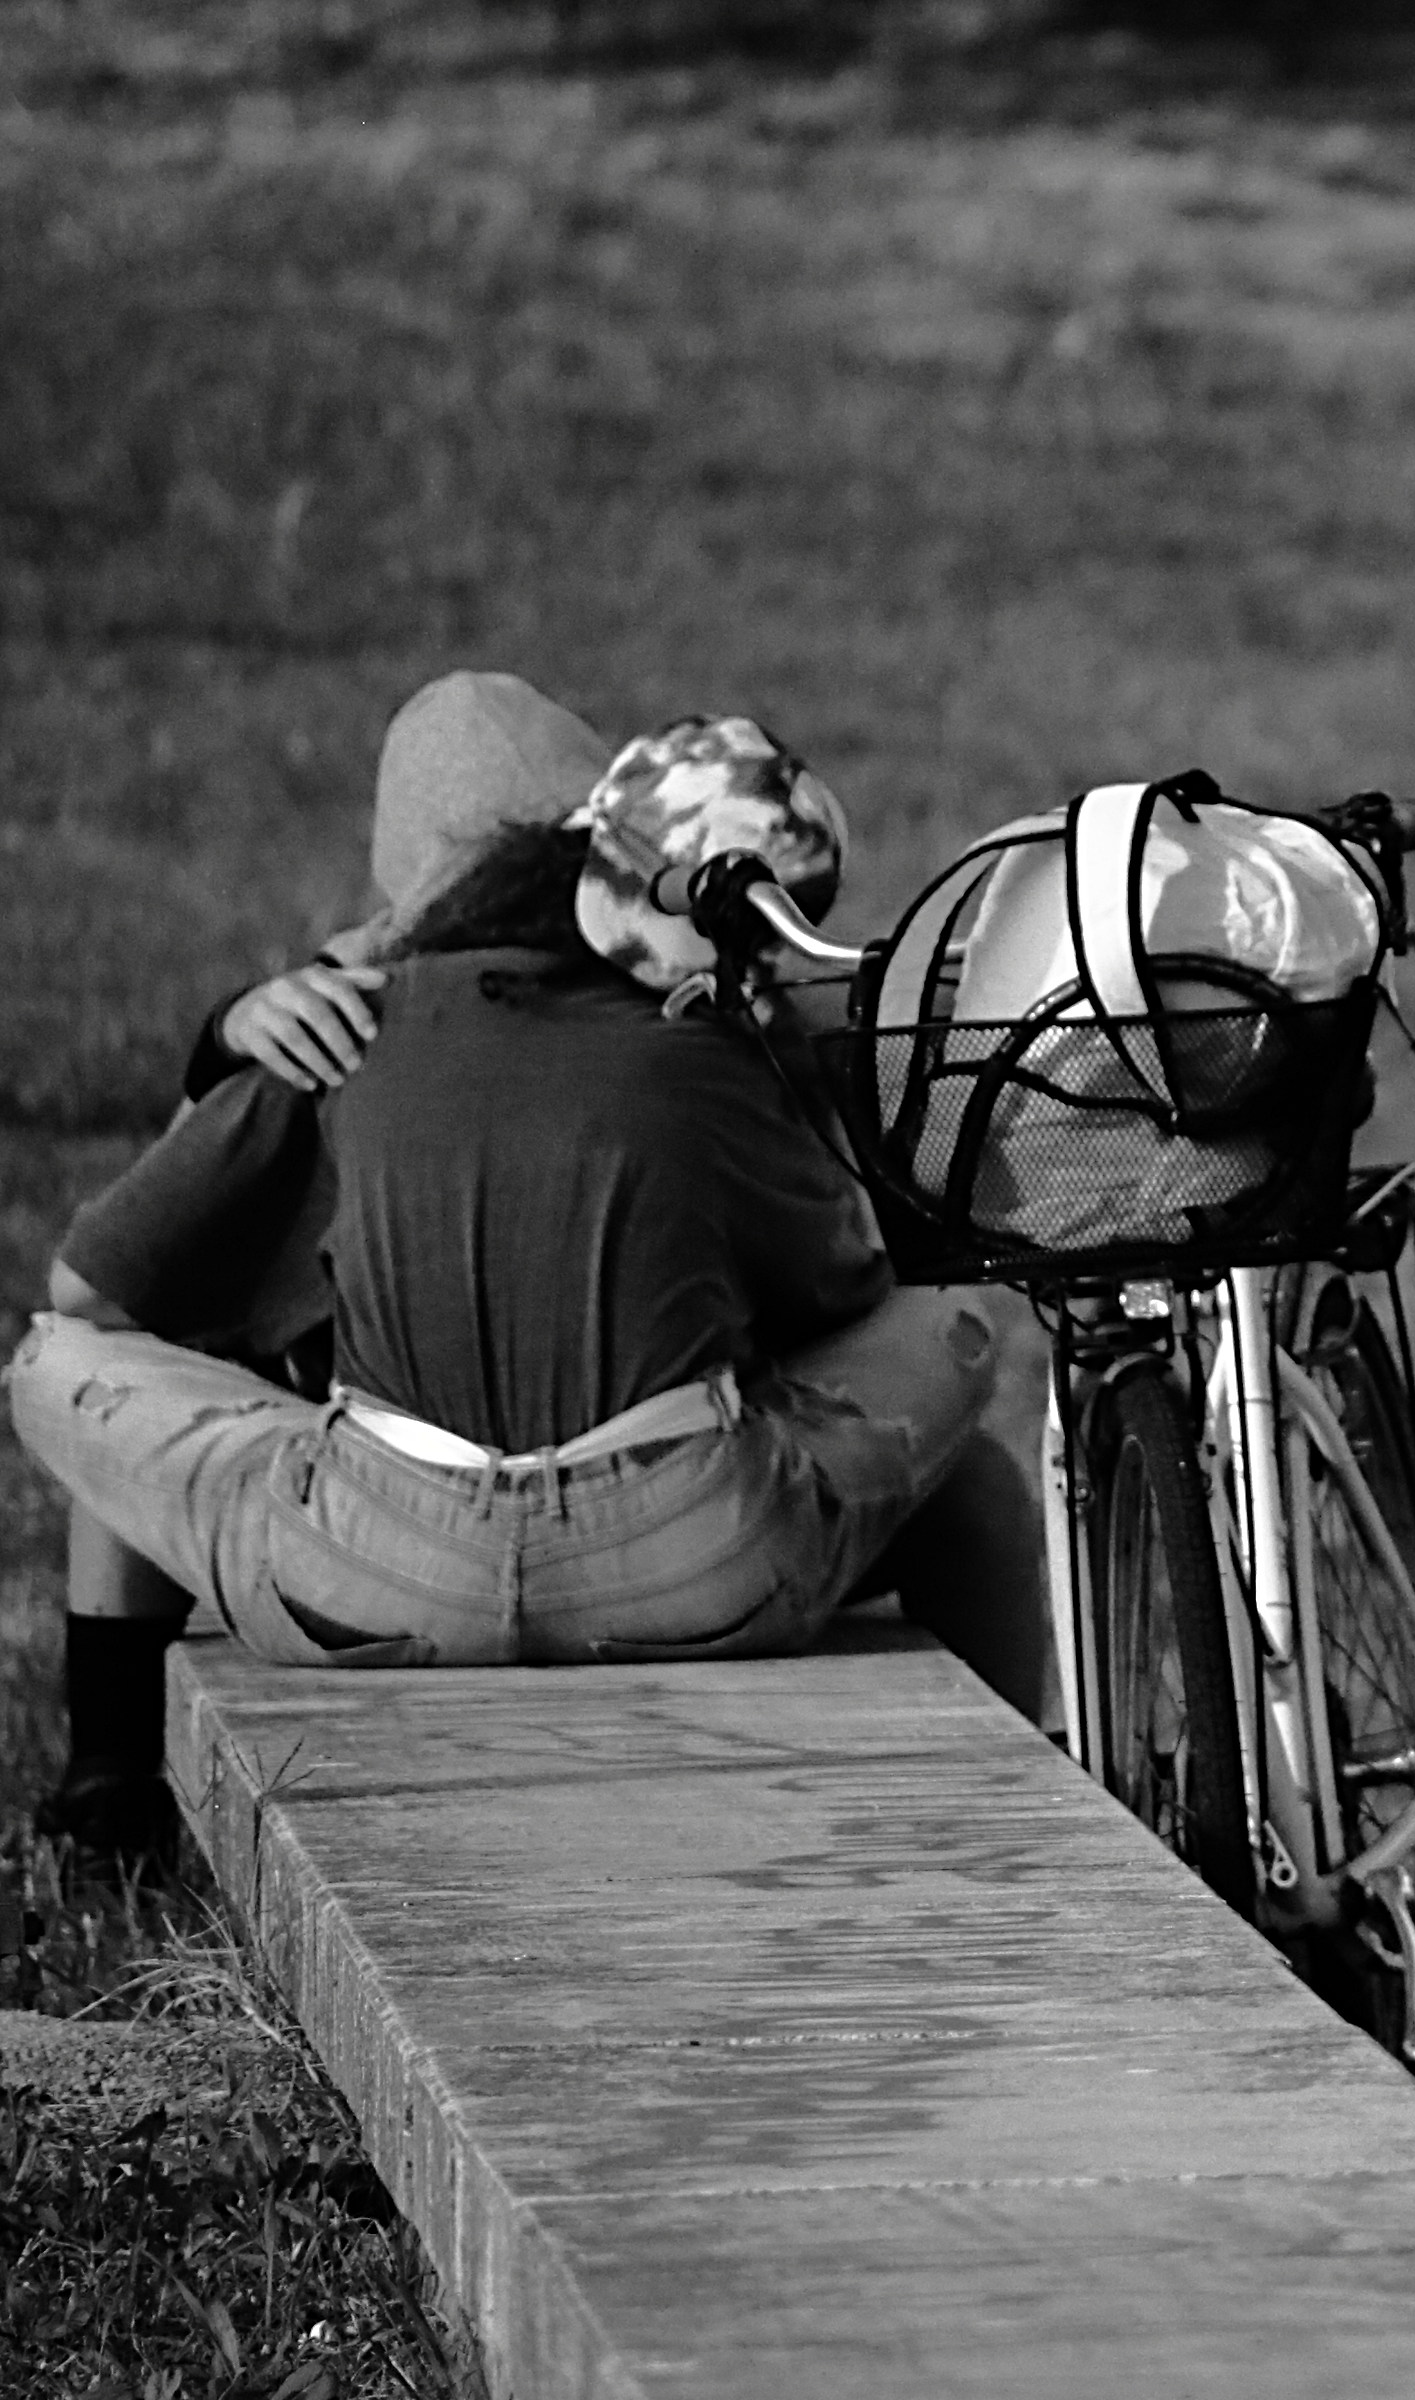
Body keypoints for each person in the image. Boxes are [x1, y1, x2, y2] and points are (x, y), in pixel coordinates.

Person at [13, 688, 1049, 1859]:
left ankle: (107, 1786)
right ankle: (1043, 1819)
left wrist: (231, 1044)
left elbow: (95, 1291)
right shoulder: (701, 1040)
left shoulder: (331, 1026)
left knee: (73, 1361)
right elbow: (842, 1292)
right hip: (694, 1573)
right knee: (953, 1358)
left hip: (362, 1574)